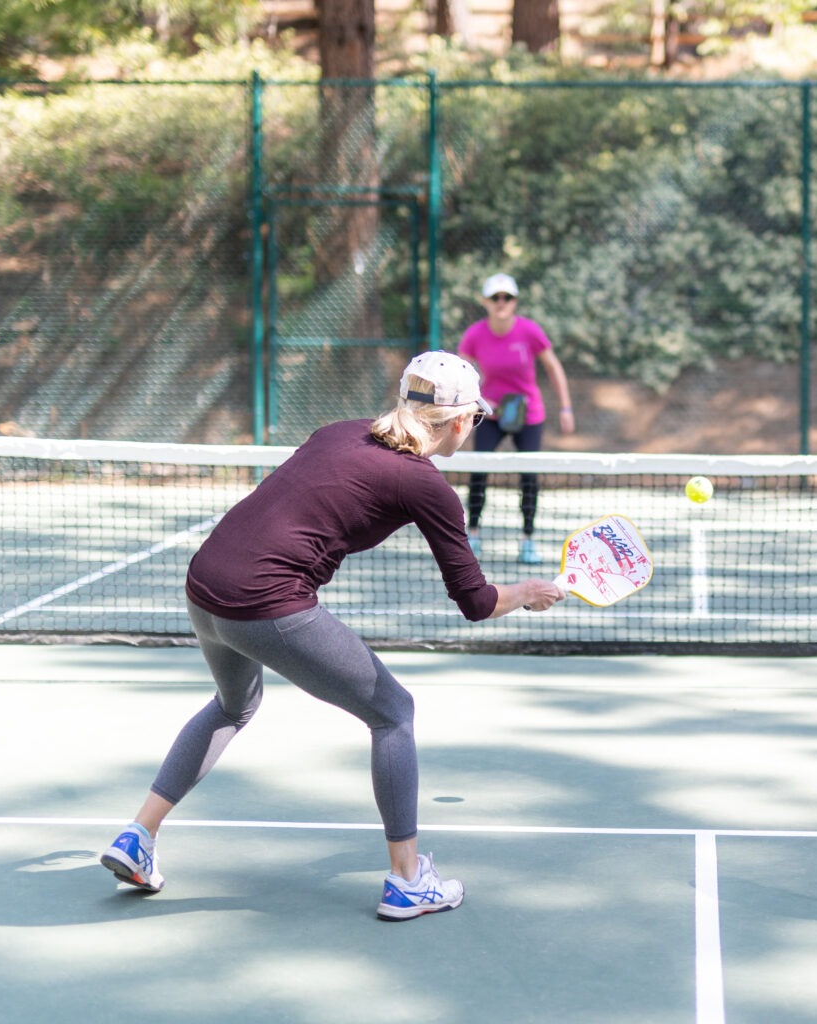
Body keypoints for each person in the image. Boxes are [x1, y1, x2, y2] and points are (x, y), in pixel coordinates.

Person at [100, 351, 567, 921]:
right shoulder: (427, 485)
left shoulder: (338, 432)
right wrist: (527, 592)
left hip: (204, 585)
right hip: (266, 605)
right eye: (475, 418)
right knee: (393, 712)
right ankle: (406, 881)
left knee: (232, 706)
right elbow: (476, 602)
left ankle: (137, 837)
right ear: (461, 421)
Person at [458, 272, 576, 565]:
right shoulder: (475, 334)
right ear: (485, 301)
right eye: (495, 298)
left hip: (529, 414)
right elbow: (459, 371)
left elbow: (553, 367)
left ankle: (528, 540)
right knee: (478, 471)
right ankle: (473, 535)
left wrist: (566, 407)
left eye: (507, 297)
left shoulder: (530, 331)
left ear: (514, 301)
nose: (501, 303)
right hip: (491, 413)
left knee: (529, 477)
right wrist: (476, 402)